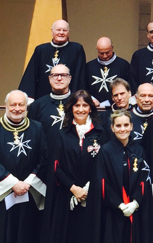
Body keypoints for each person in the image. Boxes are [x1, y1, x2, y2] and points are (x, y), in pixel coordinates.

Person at [0, 90, 47, 243]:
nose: (17, 108)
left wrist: (27, 183)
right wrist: (13, 183)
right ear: (5, 106)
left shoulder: (37, 128)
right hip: (0, 193)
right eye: (12, 104)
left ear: (26, 107)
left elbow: (44, 157)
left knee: (26, 232)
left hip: (28, 191)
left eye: (21, 105)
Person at [43, 90, 104, 243]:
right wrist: (73, 188)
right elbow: (55, 165)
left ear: (91, 108)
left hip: (93, 195)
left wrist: (88, 188)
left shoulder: (101, 132)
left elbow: (105, 163)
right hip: (66, 194)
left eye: (85, 105)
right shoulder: (62, 133)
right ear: (71, 108)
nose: (81, 109)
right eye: (77, 105)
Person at [97, 109, 153, 243]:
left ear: (131, 126)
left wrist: (135, 203)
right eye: (118, 126)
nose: (122, 129)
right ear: (112, 128)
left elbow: (145, 179)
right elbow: (102, 180)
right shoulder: (105, 151)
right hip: (113, 211)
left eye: (126, 125)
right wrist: (120, 204)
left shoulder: (139, 150)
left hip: (135, 209)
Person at [19, 19, 88, 100]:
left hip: (69, 99)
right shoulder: (41, 50)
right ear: (52, 31)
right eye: (58, 30)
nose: (61, 33)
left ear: (68, 32)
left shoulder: (76, 49)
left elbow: (80, 76)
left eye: (64, 30)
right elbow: (31, 75)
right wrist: (28, 97)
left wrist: (79, 97)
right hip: (43, 97)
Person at [28, 63, 73, 152]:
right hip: (46, 158)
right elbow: (31, 135)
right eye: (55, 75)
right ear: (49, 79)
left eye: (63, 75)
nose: (59, 78)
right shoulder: (37, 105)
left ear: (70, 79)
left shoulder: (80, 103)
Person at [86, 37, 131, 107]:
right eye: (101, 53)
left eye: (107, 52)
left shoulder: (124, 65)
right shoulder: (89, 66)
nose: (104, 56)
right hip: (94, 107)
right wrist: (91, 99)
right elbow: (84, 86)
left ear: (112, 47)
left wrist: (108, 102)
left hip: (117, 107)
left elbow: (128, 88)